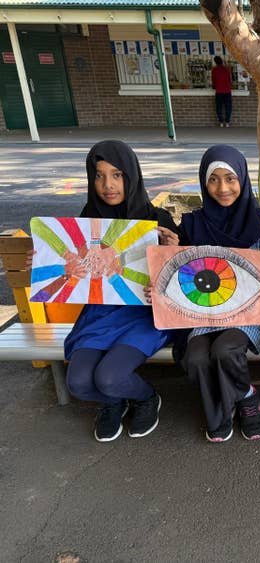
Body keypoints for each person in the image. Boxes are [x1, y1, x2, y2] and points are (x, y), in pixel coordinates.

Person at [63, 140, 183, 442]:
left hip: (145, 314)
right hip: (100, 313)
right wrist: (43, 261)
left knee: (110, 376)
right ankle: (113, 402)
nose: (108, 185)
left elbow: (181, 281)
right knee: (77, 382)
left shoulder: (157, 220)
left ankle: (145, 397)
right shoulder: (87, 219)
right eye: (99, 175)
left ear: (131, 175)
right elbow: (75, 270)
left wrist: (174, 254)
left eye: (117, 175)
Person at [175, 144, 260, 442]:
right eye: (213, 179)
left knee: (225, 350)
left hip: (247, 312)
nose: (222, 188)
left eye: (230, 178)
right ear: (203, 182)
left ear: (242, 178)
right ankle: (223, 410)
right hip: (203, 311)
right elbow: (182, 275)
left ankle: (246, 398)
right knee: (197, 357)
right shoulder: (192, 225)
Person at [211, 56, 232, 128]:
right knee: (228, 107)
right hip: (227, 90)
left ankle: (221, 122)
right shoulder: (227, 69)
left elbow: (213, 81)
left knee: (219, 107)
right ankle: (227, 122)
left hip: (219, 91)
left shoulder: (214, 70)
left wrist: (214, 86)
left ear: (215, 62)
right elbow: (229, 79)